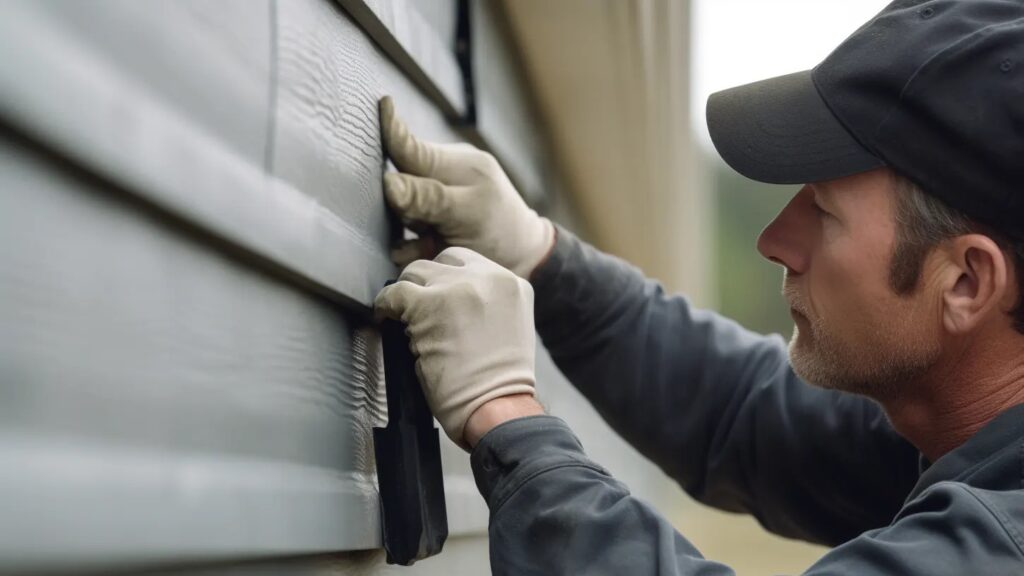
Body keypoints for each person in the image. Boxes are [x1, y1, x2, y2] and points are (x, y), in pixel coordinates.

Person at [373, 1, 1024, 573]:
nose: (774, 240)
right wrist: (541, 257)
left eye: (824, 211)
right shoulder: (954, 429)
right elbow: (743, 413)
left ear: (967, 281)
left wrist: (504, 414)